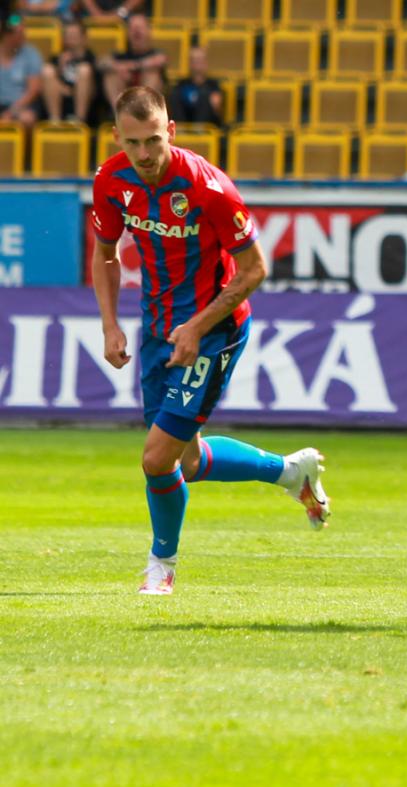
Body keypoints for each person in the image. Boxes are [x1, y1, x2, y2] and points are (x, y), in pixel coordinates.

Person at [90, 86, 331, 595]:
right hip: (159, 330)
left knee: (156, 459)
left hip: (214, 331)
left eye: (154, 140)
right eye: (133, 143)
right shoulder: (110, 181)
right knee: (189, 462)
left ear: (171, 131)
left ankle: (162, 564)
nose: (144, 154)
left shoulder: (209, 188)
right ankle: (291, 473)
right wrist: (110, 324)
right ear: (116, 138)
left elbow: (254, 269)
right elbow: (106, 253)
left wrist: (198, 327)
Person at [99, 12, 163, 108]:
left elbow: (159, 61)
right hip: (123, 97)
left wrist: (130, 67)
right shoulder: (121, 55)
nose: (136, 31)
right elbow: (101, 63)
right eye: (132, 28)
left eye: (140, 27)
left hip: (151, 102)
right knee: (111, 76)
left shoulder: (156, 53)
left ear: (149, 31)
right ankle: (119, 113)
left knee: (152, 73)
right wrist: (118, 68)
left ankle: (144, 113)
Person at [41, 19, 96, 124]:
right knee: (47, 70)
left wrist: (71, 91)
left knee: (84, 70)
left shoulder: (91, 59)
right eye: (68, 36)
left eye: (74, 36)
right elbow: (49, 85)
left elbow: (94, 88)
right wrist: (60, 68)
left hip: (86, 105)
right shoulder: (57, 58)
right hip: (60, 100)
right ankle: (55, 122)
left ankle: (79, 122)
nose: (70, 39)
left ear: (84, 38)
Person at [0, 14, 41, 129]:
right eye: (20, 33)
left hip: (22, 105)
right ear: (7, 35)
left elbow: (33, 90)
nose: (24, 36)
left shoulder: (31, 54)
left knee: (27, 119)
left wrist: (11, 112)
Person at [167, 45, 223, 126]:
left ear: (206, 62)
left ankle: (198, 131)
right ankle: (179, 129)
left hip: (207, 126)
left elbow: (217, 108)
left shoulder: (213, 84)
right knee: (175, 95)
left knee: (205, 95)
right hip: (183, 124)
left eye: (200, 60)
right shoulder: (181, 84)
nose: (198, 63)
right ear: (189, 63)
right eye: (194, 60)